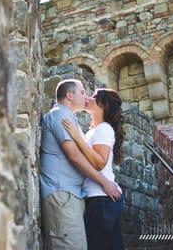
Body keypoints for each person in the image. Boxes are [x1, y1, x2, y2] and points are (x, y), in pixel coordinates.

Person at [40, 79, 121, 250]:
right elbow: (74, 156)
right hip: (62, 193)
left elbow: (94, 159)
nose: (86, 97)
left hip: (74, 195)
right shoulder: (60, 114)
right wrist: (104, 182)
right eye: (83, 92)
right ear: (70, 95)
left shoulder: (77, 121)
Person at [62, 88, 126, 250]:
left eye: (94, 96)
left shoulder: (103, 128)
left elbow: (100, 163)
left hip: (101, 199)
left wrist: (77, 137)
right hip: (101, 199)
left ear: (103, 104)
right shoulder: (94, 130)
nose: (88, 98)